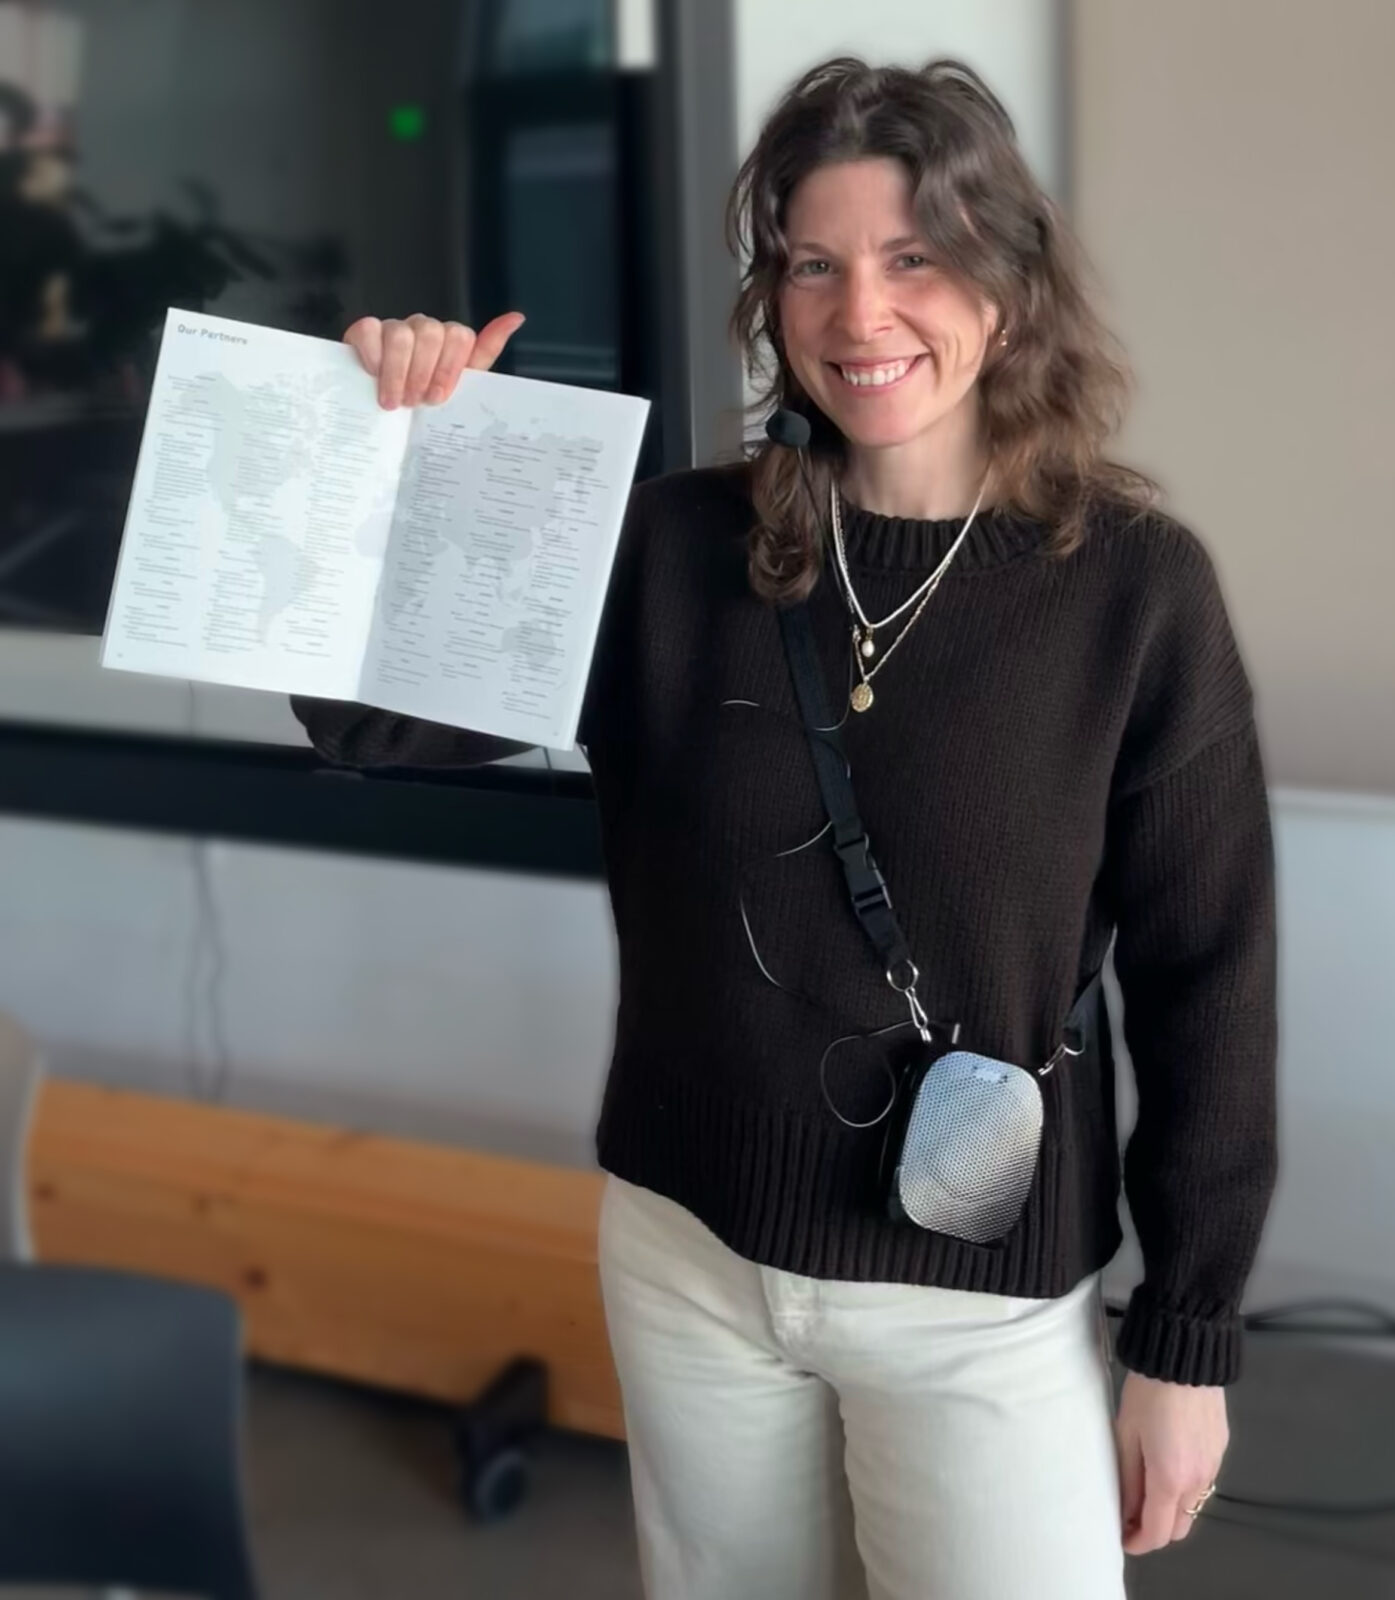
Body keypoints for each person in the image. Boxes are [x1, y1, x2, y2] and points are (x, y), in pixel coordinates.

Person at [293, 56, 1277, 1600]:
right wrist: (388, 456)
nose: (859, 313)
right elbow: (369, 722)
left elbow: (1210, 977)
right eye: (813, 263)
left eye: (914, 258)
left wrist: (1189, 1341)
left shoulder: (1133, 591)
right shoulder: (674, 549)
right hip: (691, 1257)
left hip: (981, 1298)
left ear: (1007, 284)